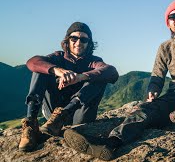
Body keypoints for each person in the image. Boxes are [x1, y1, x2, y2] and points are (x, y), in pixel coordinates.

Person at [63, 1, 175, 161]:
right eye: (173, 17)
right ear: (168, 24)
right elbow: (157, 75)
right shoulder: (165, 47)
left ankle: (165, 119)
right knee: (142, 109)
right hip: (174, 97)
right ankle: (111, 143)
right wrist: (153, 90)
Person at [18, 22, 119, 152]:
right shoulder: (58, 57)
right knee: (40, 69)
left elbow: (112, 72)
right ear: (67, 40)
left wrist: (80, 77)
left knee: (100, 77)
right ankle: (31, 125)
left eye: (84, 39)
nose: (78, 42)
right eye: (74, 38)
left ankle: (64, 115)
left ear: (89, 43)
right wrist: (56, 70)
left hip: (80, 115)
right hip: (52, 116)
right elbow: (32, 62)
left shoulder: (94, 61)